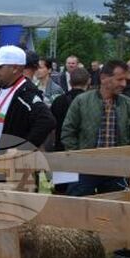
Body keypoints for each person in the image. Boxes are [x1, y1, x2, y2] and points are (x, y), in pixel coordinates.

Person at [61, 60, 130, 196]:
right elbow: (68, 132)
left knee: (113, 211)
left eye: (125, 79)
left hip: (116, 170)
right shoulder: (82, 101)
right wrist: (78, 157)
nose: (124, 84)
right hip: (85, 168)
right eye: (120, 79)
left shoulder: (128, 104)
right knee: (78, 208)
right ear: (104, 78)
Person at [0, 45, 55, 156]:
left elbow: (47, 121)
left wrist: (23, 149)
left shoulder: (26, 93)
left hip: (12, 166)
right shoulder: (1, 88)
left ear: (15, 68)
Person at [49, 66, 89, 194]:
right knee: (82, 193)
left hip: (61, 153)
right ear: (88, 81)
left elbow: (52, 128)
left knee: (61, 192)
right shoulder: (91, 103)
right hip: (84, 154)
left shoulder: (58, 101)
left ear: (70, 82)